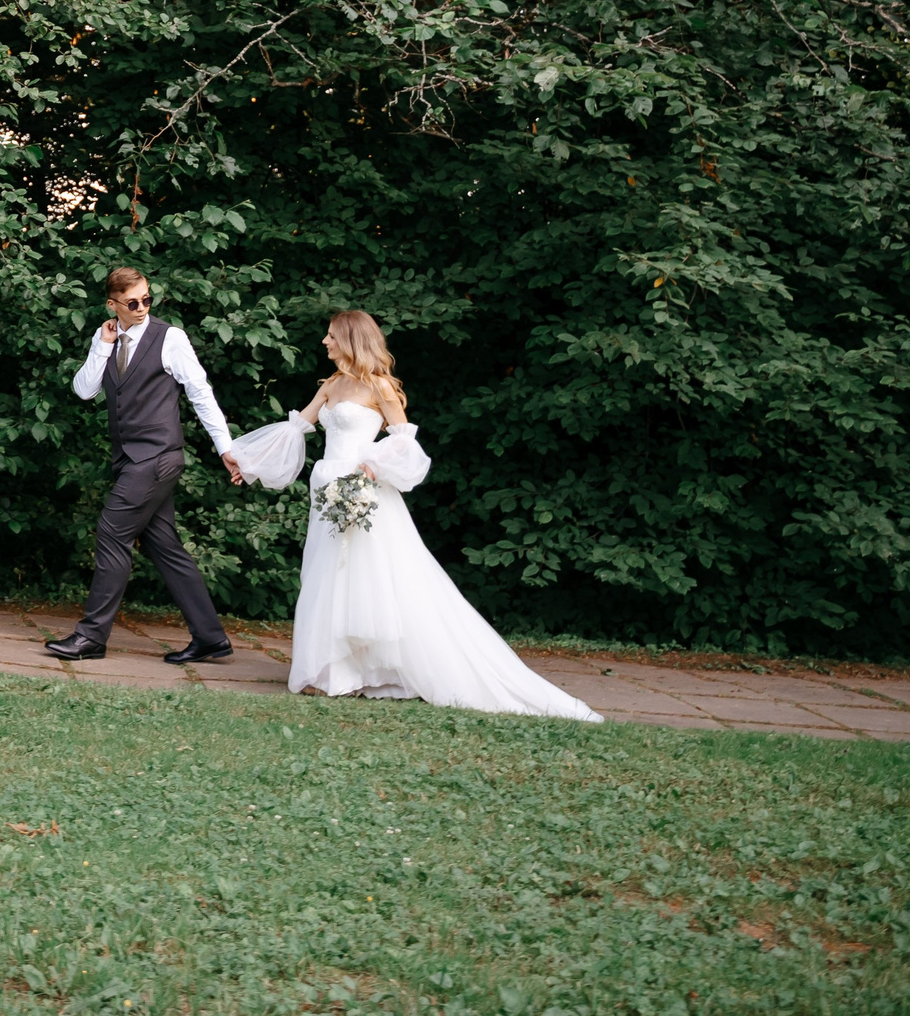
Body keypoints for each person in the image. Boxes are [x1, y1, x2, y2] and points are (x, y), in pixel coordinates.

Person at [221, 310, 600, 720]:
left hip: (362, 491)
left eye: (331, 336)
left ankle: (379, 669)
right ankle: (337, 672)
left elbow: (404, 443)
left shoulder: (379, 386)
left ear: (350, 339)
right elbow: (295, 429)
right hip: (327, 490)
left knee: (371, 578)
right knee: (327, 574)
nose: (325, 342)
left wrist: (372, 466)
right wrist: (248, 463)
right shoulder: (331, 384)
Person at [43, 267, 240, 664]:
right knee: (164, 547)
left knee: (112, 534)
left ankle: (91, 637)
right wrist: (101, 345)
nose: (142, 308)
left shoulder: (170, 338)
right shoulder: (109, 339)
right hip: (132, 459)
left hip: (156, 457)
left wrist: (225, 447)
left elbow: (200, 392)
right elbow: (84, 391)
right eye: (132, 302)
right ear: (112, 304)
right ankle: (210, 638)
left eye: (147, 299)